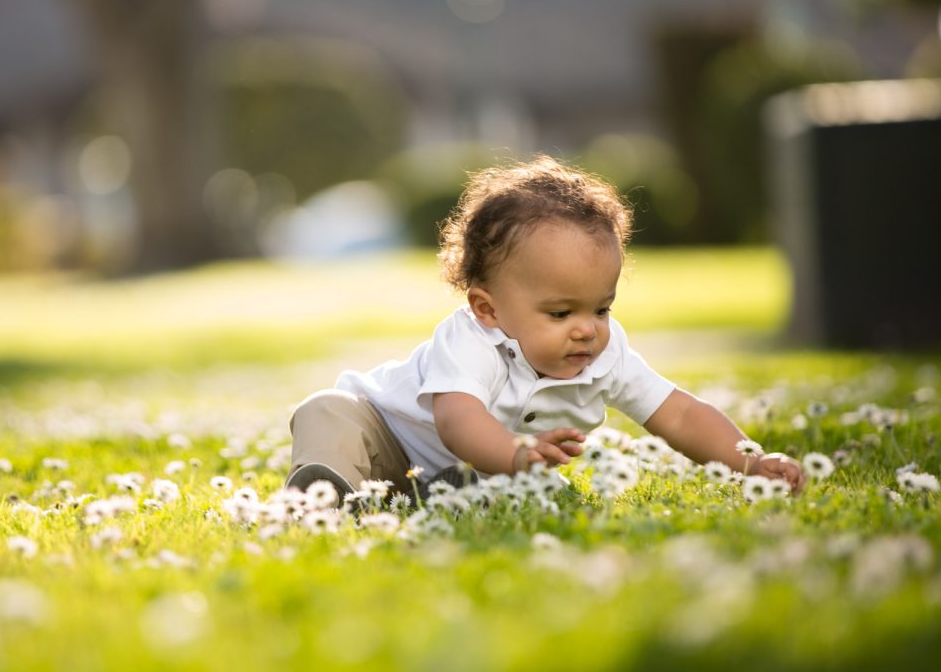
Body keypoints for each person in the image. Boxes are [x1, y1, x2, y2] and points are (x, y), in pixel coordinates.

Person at [285, 155, 803, 501]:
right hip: (389, 439)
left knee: (495, 492)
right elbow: (458, 422)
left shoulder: (606, 355)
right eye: (560, 314)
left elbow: (683, 414)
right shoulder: (470, 339)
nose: (587, 331)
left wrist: (750, 462)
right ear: (487, 309)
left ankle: (452, 495)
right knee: (327, 411)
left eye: (601, 309)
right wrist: (518, 455)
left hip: (474, 476)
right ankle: (325, 495)